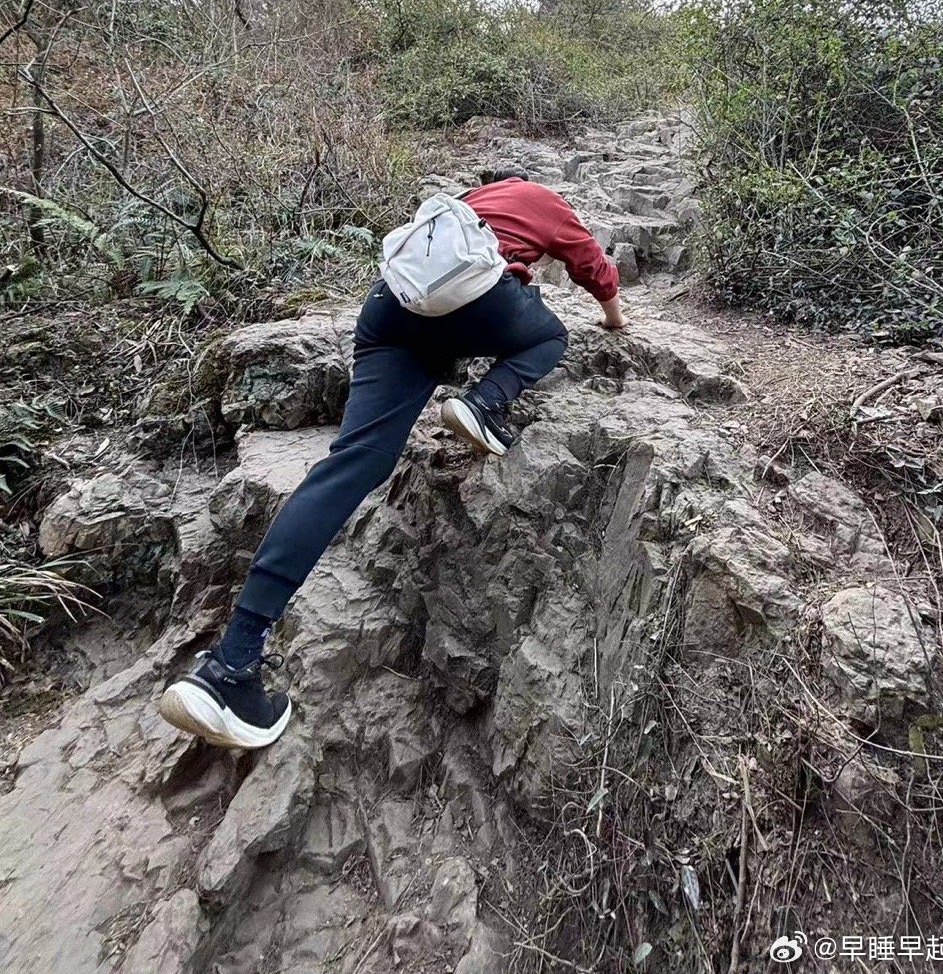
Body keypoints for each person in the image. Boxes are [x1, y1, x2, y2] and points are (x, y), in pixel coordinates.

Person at [159, 169, 627, 750]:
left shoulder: (465, 203)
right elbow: (591, 265)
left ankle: (231, 662)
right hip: (477, 309)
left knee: (353, 462)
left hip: (390, 313)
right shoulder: (542, 199)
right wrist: (612, 317)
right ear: (524, 180)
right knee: (548, 335)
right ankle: (483, 404)